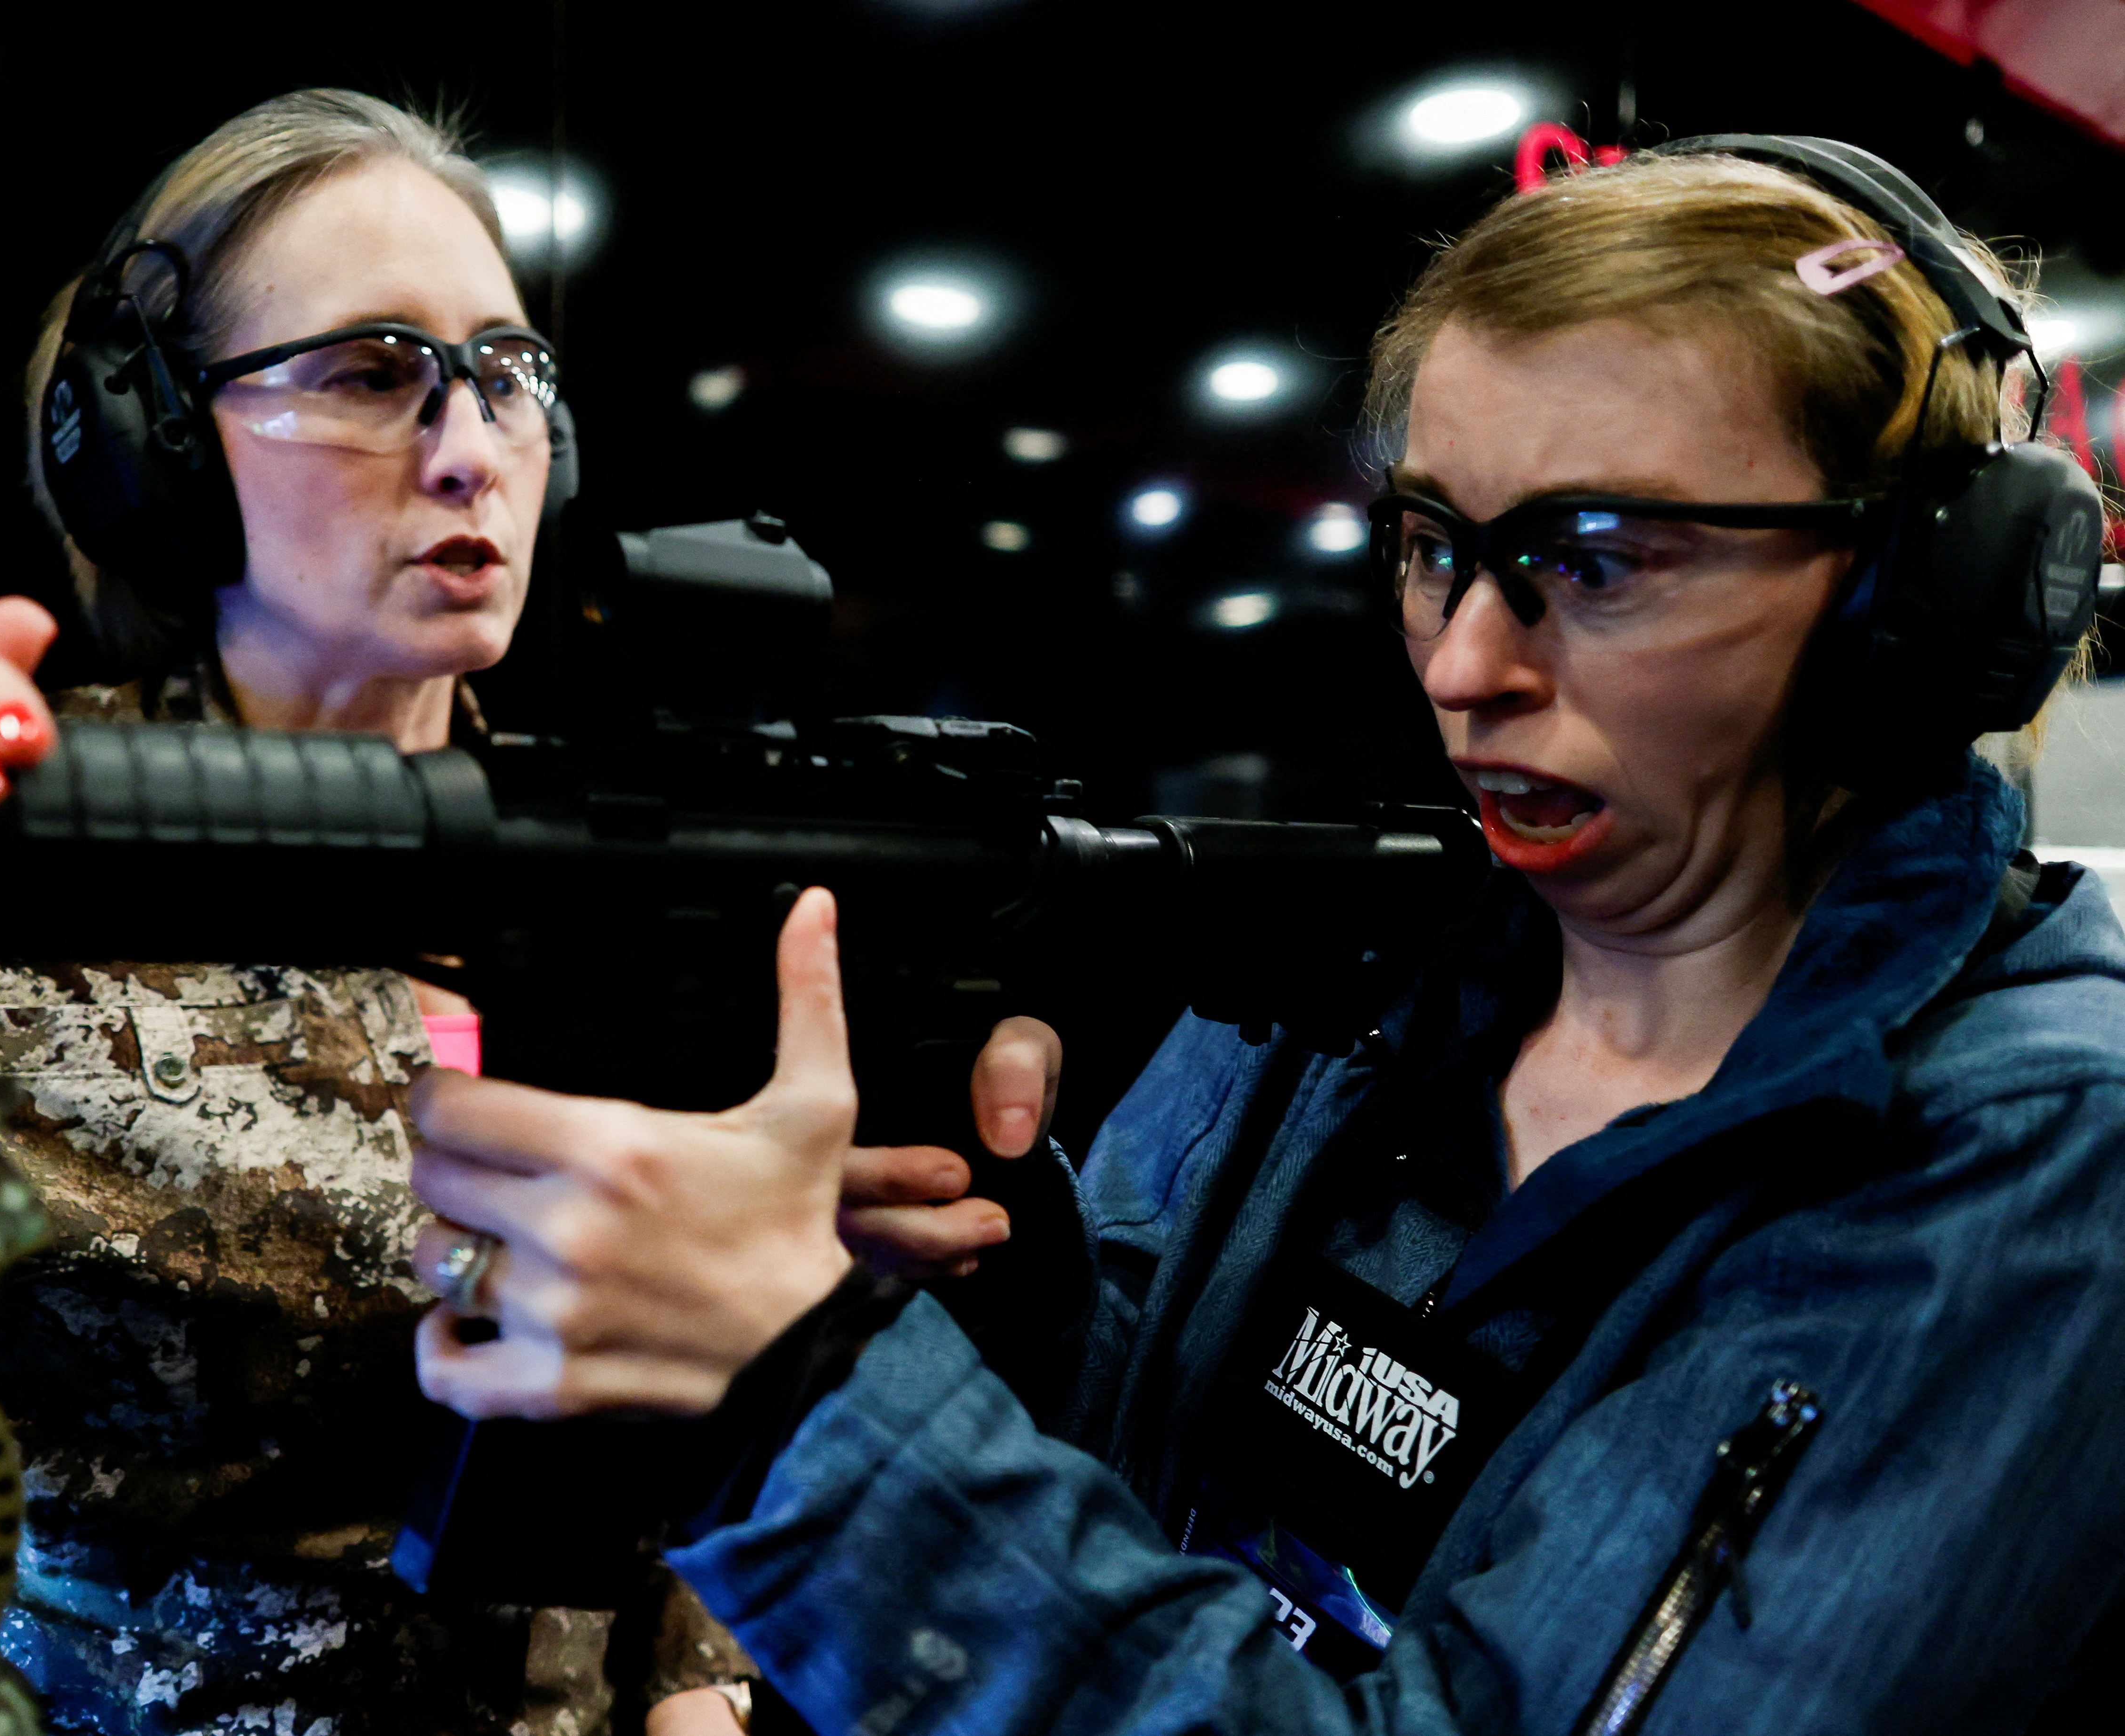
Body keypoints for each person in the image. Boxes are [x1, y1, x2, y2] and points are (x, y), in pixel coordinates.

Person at [399, 146, 2125, 1731]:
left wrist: (804, 1402)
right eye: (1435, 546)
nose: (1462, 666)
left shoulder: (2035, 1169)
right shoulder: (1362, 971)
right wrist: (982, 1278)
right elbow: (1129, 1470)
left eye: (1596, 561)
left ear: (1917, 605)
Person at [0, 89, 758, 1736]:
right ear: (156, 443)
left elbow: (702, 1423)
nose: (472, 448)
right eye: (372, 370)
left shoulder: (637, 866)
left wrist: (699, 1701)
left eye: (504, 371)